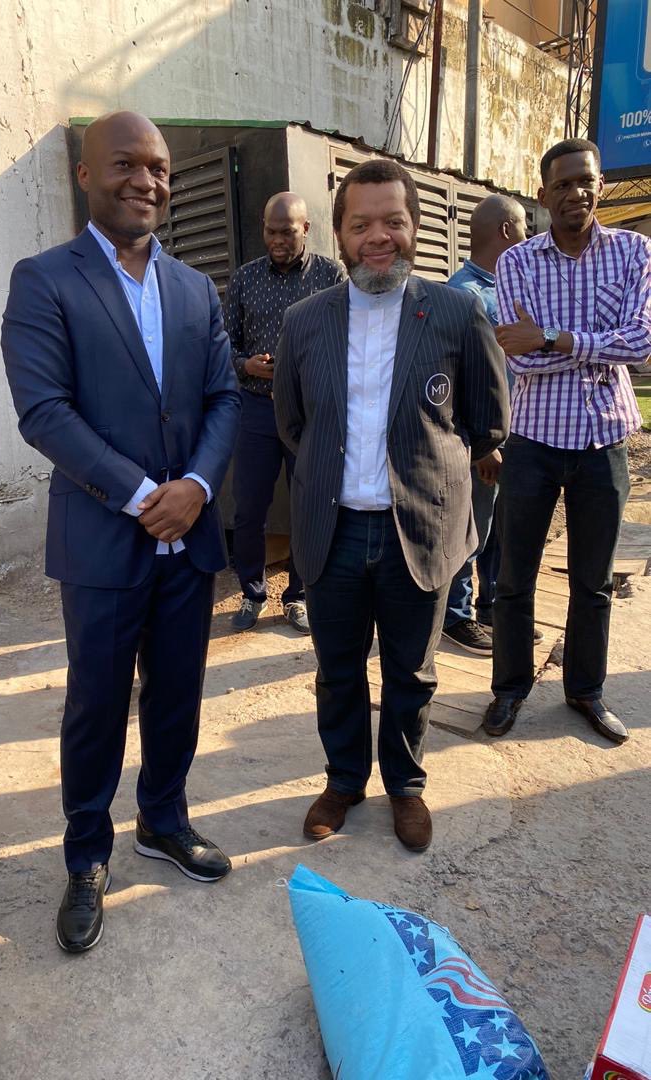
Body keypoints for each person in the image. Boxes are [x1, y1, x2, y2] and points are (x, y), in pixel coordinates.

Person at [1, 111, 241, 954]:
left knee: (177, 694)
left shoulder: (196, 289)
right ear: (85, 175)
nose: (147, 181)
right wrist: (144, 496)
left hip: (189, 540)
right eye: (126, 165)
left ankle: (163, 820)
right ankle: (86, 856)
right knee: (97, 706)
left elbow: (223, 398)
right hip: (104, 543)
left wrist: (198, 487)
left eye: (160, 168)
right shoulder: (44, 281)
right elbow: (44, 411)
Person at [274, 160, 508, 853]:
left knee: (412, 671)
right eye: (361, 224)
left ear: (415, 227)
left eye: (393, 222)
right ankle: (345, 780)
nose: (379, 237)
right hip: (336, 529)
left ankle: (405, 785)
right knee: (337, 671)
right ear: (340, 235)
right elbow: (293, 424)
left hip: (421, 527)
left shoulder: (458, 313)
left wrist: (427, 471)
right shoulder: (304, 321)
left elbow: (488, 422)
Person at [484, 138, 651, 744]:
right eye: (563, 184)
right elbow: (519, 358)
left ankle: (585, 690)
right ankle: (509, 689)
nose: (575, 193)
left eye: (585, 181)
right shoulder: (517, 262)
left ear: (600, 185)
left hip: (604, 441)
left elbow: (642, 343)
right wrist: (596, 344)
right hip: (533, 441)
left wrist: (553, 337)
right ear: (543, 195)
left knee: (593, 580)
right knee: (513, 577)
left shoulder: (635, 252)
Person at [224, 193, 343, 634]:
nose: (277, 240)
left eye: (287, 232)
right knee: (248, 508)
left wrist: (304, 372)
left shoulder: (331, 276)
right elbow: (224, 343)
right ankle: (252, 593)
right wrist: (246, 365)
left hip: (309, 411)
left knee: (308, 505)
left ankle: (298, 596)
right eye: (270, 231)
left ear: (306, 229)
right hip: (256, 408)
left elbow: (345, 341)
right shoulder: (245, 278)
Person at [442, 194, 530, 655]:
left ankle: (492, 607)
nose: (529, 236)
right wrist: (481, 446)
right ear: (506, 231)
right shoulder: (464, 295)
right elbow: (453, 381)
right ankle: (456, 617)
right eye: (524, 226)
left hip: (516, 435)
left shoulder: (508, 289)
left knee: (500, 530)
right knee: (470, 528)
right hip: (481, 442)